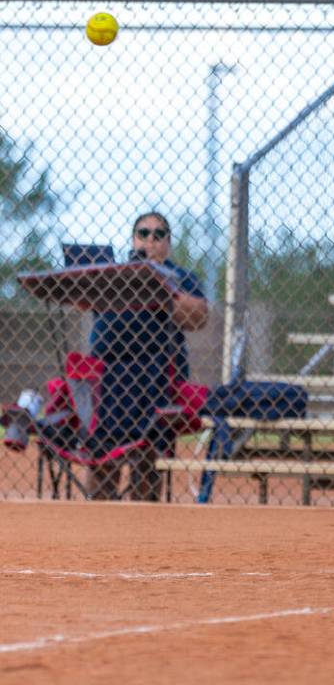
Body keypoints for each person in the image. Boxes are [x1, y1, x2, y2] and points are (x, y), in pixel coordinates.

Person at [88, 212, 209, 500]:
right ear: (133, 239)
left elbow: (199, 317)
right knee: (103, 462)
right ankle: (96, 518)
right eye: (143, 233)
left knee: (147, 464)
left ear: (168, 242)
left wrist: (162, 290)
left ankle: (144, 522)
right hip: (110, 374)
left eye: (158, 234)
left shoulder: (178, 277)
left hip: (157, 377)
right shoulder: (115, 274)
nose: (150, 240)